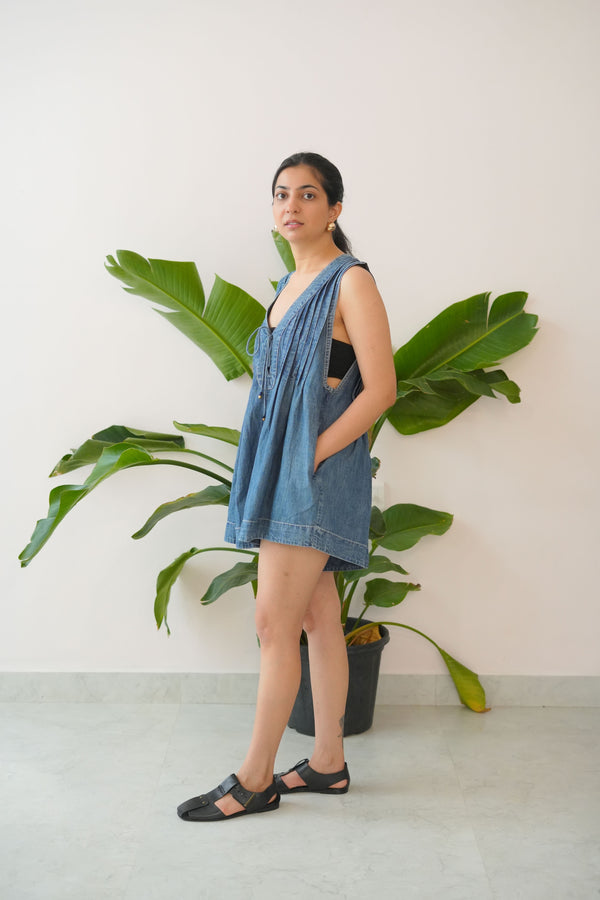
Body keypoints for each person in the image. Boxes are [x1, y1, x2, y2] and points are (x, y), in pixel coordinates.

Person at [177, 152, 397, 822]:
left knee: (273, 625)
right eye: (281, 194)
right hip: (283, 471)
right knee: (314, 616)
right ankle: (327, 762)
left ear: (335, 208)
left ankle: (254, 778)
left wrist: (313, 456)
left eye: (308, 193)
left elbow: (380, 389)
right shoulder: (287, 282)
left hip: (313, 474)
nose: (292, 205)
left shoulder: (348, 282)